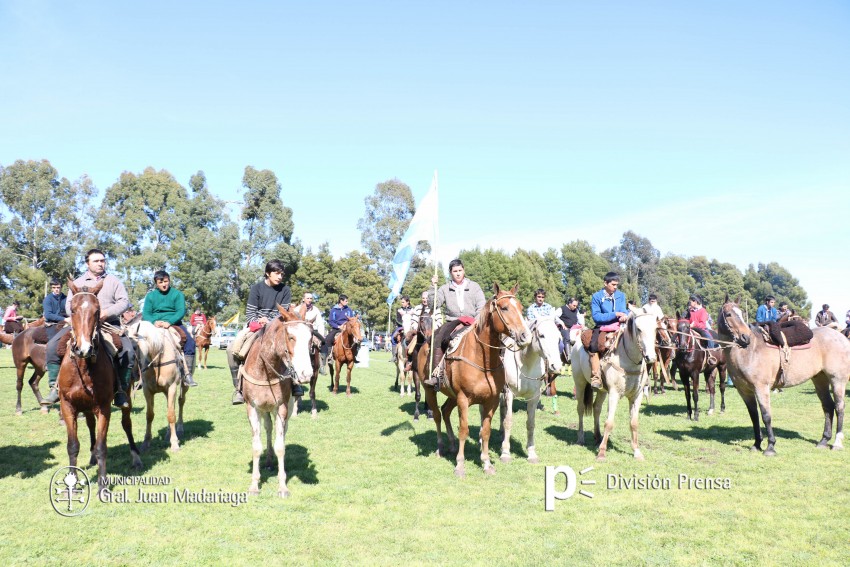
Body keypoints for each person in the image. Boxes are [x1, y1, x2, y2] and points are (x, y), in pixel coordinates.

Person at [42, 249, 134, 407]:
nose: (100, 263)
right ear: (87, 263)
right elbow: (69, 304)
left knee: (128, 352)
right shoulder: (77, 282)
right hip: (80, 326)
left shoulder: (113, 281)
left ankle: (121, 391)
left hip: (108, 325)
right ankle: (54, 388)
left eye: (102, 260)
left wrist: (106, 312)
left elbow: (124, 301)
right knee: (51, 347)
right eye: (96, 261)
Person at [227, 260, 292, 405]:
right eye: (277, 273)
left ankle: (295, 384)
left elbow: (284, 313)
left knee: (291, 348)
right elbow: (250, 314)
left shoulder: (285, 290)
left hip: (277, 329)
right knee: (231, 349)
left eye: (282, 274)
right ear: (268, 273)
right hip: (256, 327)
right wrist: (258, 322)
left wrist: (269, 322)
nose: (280, 276)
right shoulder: (256, 288)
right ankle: (239, 389)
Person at [424, 258, 486, 387]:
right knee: (438, 338)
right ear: (450, 273)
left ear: (464, 270)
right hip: (452, 322)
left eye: (460, 270)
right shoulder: (444, 288)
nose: (458, 273)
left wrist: (477, 320)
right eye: (455, 271)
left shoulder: (474, 286)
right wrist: (432, 287)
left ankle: (500, 375)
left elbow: (481, 305)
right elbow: (433, 304)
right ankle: (436, 376)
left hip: (473, 321)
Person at [142, 270, 197, 387]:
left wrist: (169, 322)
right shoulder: (150, 296)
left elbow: (181, 311)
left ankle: (187, 375)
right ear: (156, 283)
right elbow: (146, 313)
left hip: (174, 324)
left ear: (169, 281)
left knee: (190, 342)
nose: (164, 284)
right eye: (160, 282)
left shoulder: (177, 294)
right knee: (139, 342)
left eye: (166, 281)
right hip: (154, 325)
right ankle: (138, 374)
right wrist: (154, 321)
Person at [587, 272, 629, 390]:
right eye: (613, 284)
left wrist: (624, 315)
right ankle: (596, 378)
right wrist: (614, 314)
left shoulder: (621, 295)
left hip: (620, 326)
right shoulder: (596, 296)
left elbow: (623, 310)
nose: (615, 287)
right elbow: (596, 316)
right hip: (602, 327)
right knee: (593, 346)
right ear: (605, 283)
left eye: (617, 285)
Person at [322, 294, 359, 368]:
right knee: (328, 339)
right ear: (341, 301)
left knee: (357, 339)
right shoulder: (334, 310)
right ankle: (328, 356)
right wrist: (338, 326)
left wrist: (347, 326)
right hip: (336, 328)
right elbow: (331, 321)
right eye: (346, 301)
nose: (347, 302)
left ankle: (354, 355)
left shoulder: (349, 310)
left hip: (347, 329)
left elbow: (351, 319)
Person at [296, 291, 327, 374]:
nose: (309, 300)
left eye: (311, 298)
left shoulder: (315, 310)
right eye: (307, 298)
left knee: (324, 342)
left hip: (313, 330)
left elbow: (320, 323)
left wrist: (321, 335)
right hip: (301, 331)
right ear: (303, 299)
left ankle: (321, 365)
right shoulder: (297, 309)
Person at [389, 295, 413, 363]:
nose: (402, 303)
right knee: (393, 337)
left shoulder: (413, 310)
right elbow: (398, 320)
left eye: (403, 302)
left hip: (411, 327)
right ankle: (394, 355)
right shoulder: (399, 310)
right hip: (401, 326)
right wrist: (403, 325)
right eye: (401, 302)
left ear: (407, 302)